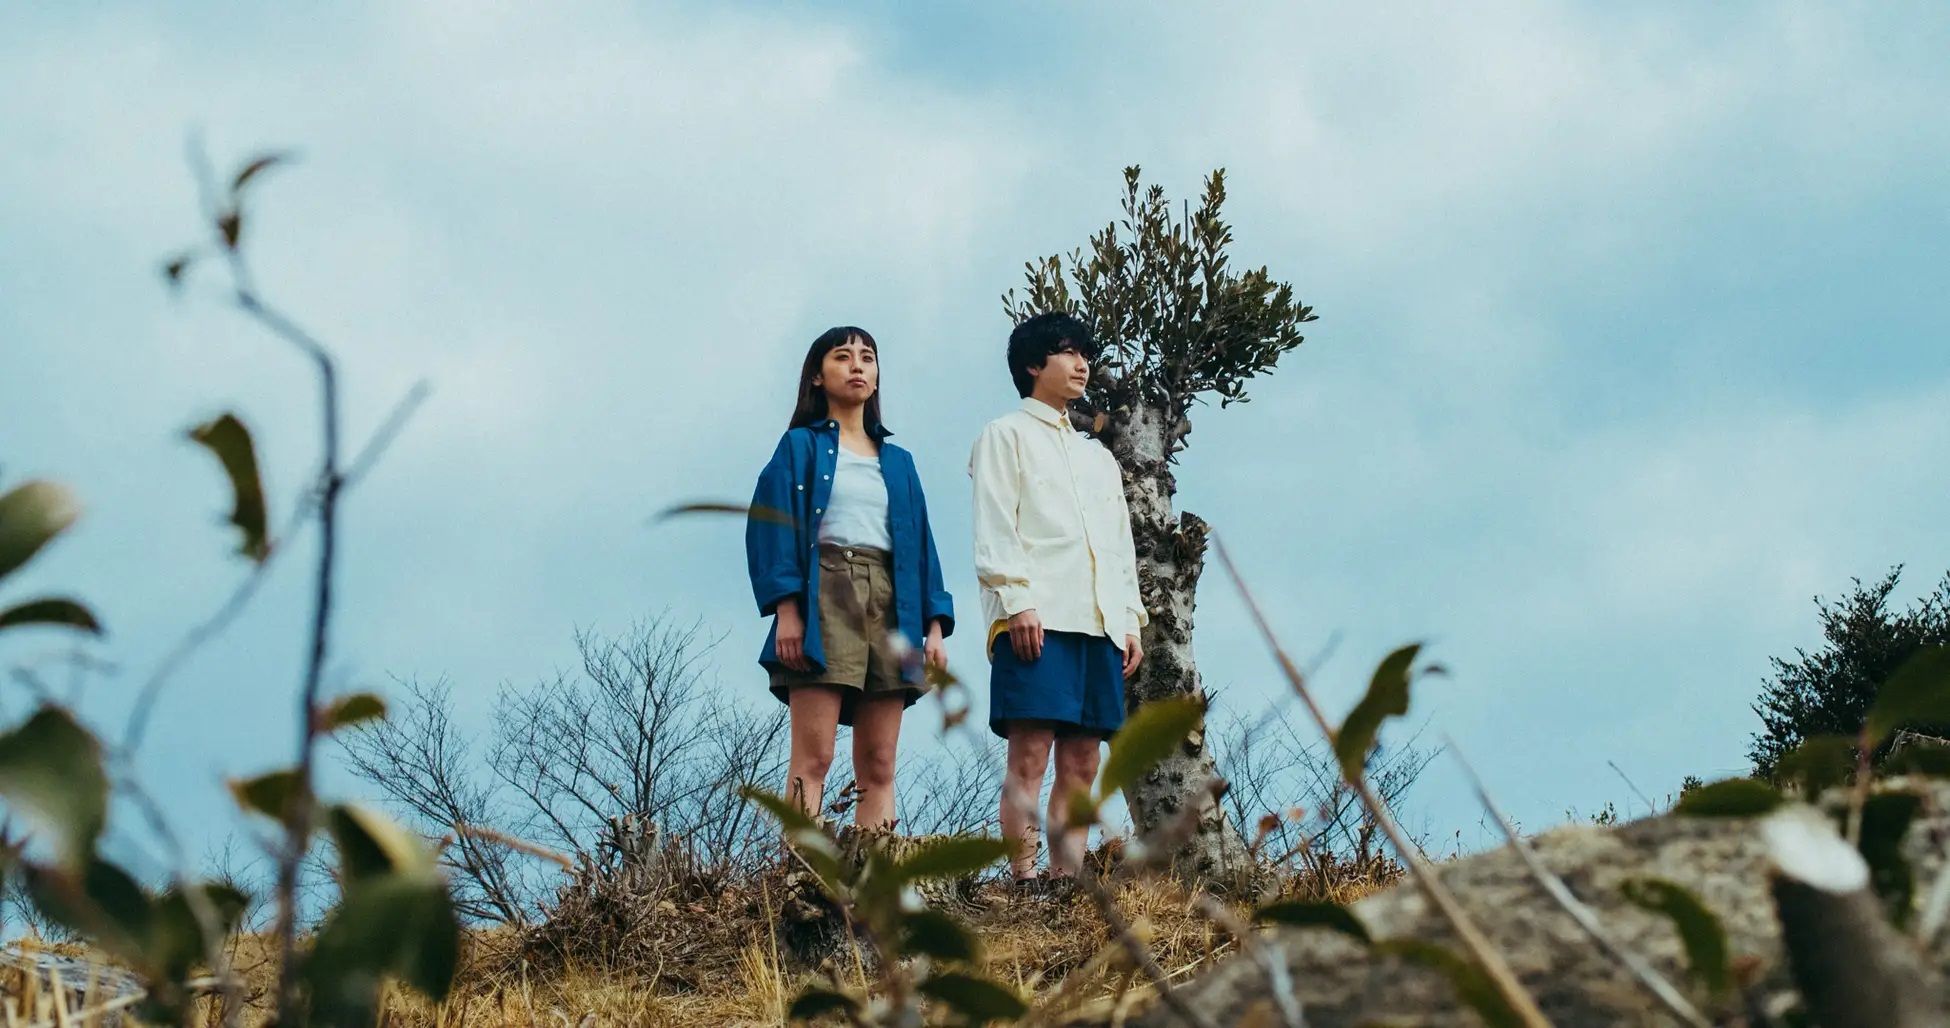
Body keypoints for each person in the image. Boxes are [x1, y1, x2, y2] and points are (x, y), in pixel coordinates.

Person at [746, 326, 954, 829]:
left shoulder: (900, 463)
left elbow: (922, 546)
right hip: (825, 591)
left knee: (879, 763)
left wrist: (934, 627)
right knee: (815, 757)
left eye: (867, 357)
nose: (857, 365)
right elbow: (771, 527)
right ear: (817, 376)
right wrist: (787, 610)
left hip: (892, 600)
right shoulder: (798, 447)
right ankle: (803, 868)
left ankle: (875, 868)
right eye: (842, 356)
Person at [969, 312, 1145, 890]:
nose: (1081, 364)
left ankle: (1065, 884)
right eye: (1067, 352)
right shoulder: (1004, 434)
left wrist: (1129, 619)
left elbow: (1119, 545)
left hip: (1099, 622)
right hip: (1037, 617)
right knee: (1030, 754)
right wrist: (1017, 601)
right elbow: (995, 525)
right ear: (1032, 365)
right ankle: (1023, 881)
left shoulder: (1098, 456)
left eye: (1084, 354)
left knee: (1084, 762)